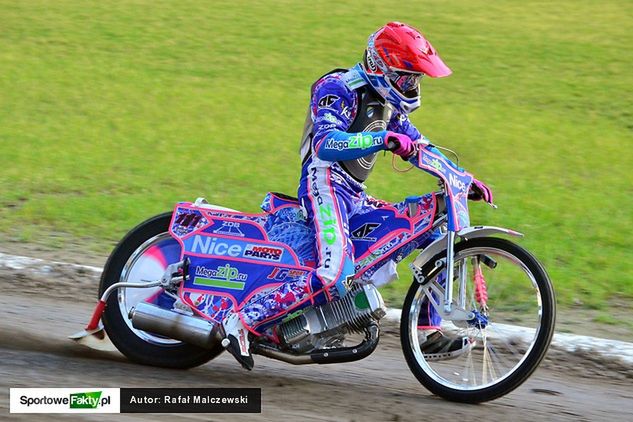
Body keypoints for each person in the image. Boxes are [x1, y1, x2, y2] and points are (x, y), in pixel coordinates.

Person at [222, 22, 491, 370]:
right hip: (324, 185)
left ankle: (429, 331)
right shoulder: (337, 88)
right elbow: (326, 142)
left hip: (354, 193)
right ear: (381, 66)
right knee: (334, 273)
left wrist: (462, 179)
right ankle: (242, 321)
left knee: (433, 228)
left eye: (415, 80)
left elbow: (422, 148)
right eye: (406, 78)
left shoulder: (388, 105)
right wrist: (380, 140)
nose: (412, 86)